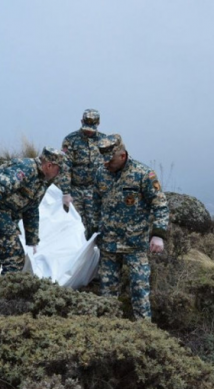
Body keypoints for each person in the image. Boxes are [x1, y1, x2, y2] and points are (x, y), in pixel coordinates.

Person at [92, 134, 169, 320]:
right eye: (103, 160)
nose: (105, 164)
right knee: (107, 292)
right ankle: (107, 331)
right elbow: (95, 203)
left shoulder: (143, 174)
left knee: (139, 291)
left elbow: (160, 204)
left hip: (135, 244)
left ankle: (144, 333)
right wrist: (92, 230)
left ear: (122, 156)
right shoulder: (101, 173)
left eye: (109, 160)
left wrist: (158, 234)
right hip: (109, 244)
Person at [0, 147, 65, 275]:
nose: (58, 173)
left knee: (15, 256)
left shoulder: (40, 181)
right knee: (14, 257)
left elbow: (31, 210)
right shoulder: (26, 169)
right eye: (58, 169)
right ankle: (6, 292)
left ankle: (5, 289)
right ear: (49, 165)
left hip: (3, 215)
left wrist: (32, 241)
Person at [57, 109, 107, 239]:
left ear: (98, 123)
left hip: (94, 190)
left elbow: (109, 166)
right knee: (75, 224)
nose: (88, 131)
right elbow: (65, 166)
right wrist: (66, 192)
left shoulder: (104, 141)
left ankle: (95, 255)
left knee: (95, 224)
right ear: (81, 122)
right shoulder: (71, 140)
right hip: (75, 190)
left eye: (92, 128)